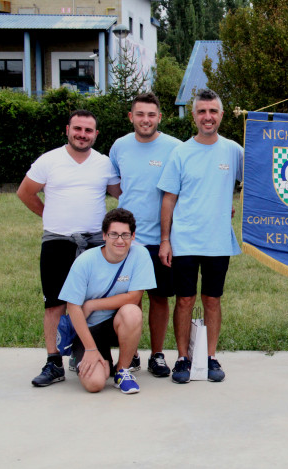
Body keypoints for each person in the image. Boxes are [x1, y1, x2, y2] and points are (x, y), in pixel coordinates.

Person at [17, 110, 121, 387]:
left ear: (96, 134)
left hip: (95, 243)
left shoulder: (104, 164)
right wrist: (49, 216)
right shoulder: (49, 160)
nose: (82, 134)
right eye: (78, 129)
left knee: (94, 303)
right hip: (57, 240)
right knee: (55, 303)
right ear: (67, 129)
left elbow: (122, 195)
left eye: (88, 130)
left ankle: (90, 351)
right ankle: (53, 362)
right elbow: (25, 192)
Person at [157, 89, 243, 384]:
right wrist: (165, 240)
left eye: (213, 111)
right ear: (194, 116)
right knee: (184, 299)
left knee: (212, 300)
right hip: (184, 240)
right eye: (202, 111)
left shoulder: (233, 150)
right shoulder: (180, 152)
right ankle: (183, 357)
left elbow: (257, 179)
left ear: (221, 115)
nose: (208, 117)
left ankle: (209, 356)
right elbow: (168, 198)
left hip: (218, 240)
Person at [110, 92, 183, 378]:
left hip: (161, 239)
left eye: (151, 115)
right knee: (129, 300)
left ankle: (157, 354)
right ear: (131, 117)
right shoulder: (119, 146)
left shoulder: (174, 148)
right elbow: (116, 187)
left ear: (160, 118)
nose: (145, 120)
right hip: (125, 242)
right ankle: (130, 355)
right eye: (140, 114)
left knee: (160, 298)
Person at [58, 208, 155, 394]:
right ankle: (92, 358)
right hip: (88, 330)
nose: (120, 240)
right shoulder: (85, 261)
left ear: (133, 236)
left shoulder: (140, 255)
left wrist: (92, 304)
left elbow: (134, 297)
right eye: (114, 234)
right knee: (95, 384)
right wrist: (91, 349)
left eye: (125, 235)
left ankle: (122, 371)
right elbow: (73, 307)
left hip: (116, 324)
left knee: (132, 311)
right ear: (104, 235)